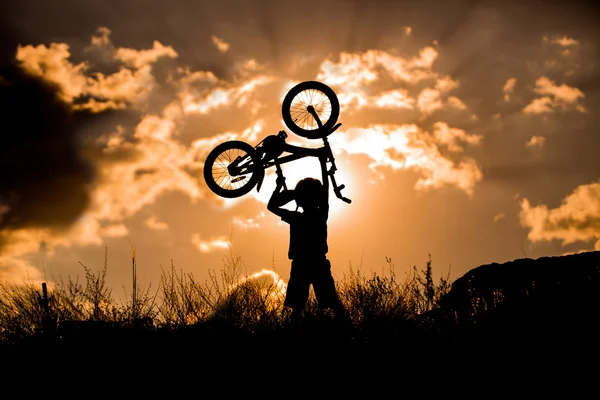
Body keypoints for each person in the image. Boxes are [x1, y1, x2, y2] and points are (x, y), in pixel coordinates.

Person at [267, 153, 347, 325]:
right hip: (315, 263)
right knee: (329, 303)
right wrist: (323, 165)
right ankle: (347, 328)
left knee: (299, 306)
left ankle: (290, 332)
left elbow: (272, 206)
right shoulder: (320, 214)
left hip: (304, 264)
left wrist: (279, 188)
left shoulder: (297, 217)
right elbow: (325, 191)